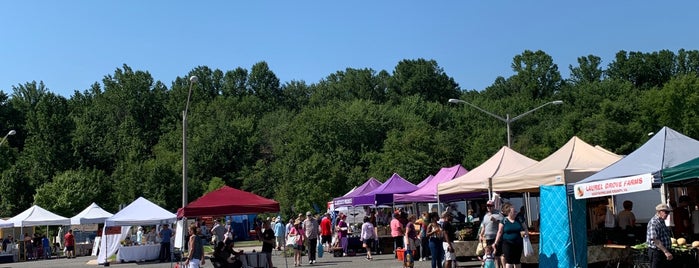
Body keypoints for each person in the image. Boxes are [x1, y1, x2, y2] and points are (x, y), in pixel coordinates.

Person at [494, 203, 527, 268]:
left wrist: (525, 232)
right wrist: (496, 242)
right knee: (509, 260)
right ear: (509, 212)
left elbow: (525, 228)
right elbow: (499, 232)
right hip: (507, 243)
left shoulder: (519, 219)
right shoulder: (504, 220)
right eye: (513, 211)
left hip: (518, 243)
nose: (515, 213)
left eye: (515, 211)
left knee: (517, 260)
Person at [647, 203, 674, 268]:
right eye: (666, 212)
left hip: (662, 252)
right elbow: (655, 240)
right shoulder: (654, 222)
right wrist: (666, 252)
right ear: (659, 212)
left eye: (668, 212)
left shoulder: (661, 221)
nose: (667, 214)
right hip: (657, 252)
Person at [480, 200, 503, 268]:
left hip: (495, 237)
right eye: (488, 206)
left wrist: (495, 220)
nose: (489, 207)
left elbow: (502, 224)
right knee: (489, 254)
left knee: (496, 255)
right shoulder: (486, 215)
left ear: (493, 206)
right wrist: (481, 234)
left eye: (490, 206)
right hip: (488, 238)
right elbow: (484, 226)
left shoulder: (498, 214)